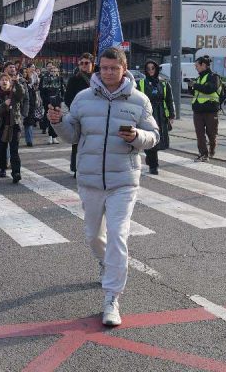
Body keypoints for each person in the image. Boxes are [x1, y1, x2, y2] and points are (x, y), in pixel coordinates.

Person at [47, 47, 159, 327]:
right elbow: (72, 135)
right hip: (91, 179)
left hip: (124, 180)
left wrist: (137, 136)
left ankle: (112, 297)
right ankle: (105, 262)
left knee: (118, 236)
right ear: (98, 68)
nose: (108, 72)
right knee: (94, 236)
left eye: (114, 68)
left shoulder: (139, 100)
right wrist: (58, 123)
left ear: (124, 68)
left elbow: (154, 136)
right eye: (104, 68)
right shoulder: (82, 99)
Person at [137, 61, 175, 174]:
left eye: (152, 68)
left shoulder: (164, 84)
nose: (150, 71)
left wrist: (172, 115)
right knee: (149, 139)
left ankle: (153, 163)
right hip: (147, 115)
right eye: (148, 69)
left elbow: (169, 100)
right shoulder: (141, 83)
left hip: (161, 115)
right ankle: (152, 163)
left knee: (158, 141)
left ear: (156, 69)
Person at [64, 53, 95, 176]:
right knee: (78, 142)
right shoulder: (74, 79)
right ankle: (76, 168)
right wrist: (77, 109)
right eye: (81, 63)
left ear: (92, 64)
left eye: (87, 63)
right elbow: (68, 98)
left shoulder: (97, 79)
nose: (84, 66)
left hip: (95, 114)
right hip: (80, 115)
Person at [187, 55, 222, 162]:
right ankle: (203, 154)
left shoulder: (214, 77)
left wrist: (195, 85)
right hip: (197, 111)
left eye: (197, 65)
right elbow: (194, 93)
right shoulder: (198, 78)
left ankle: (212, 149)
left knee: (211, 134)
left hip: (211, 111)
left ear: (203, 65)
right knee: (200, 134)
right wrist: (190, 86)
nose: (195, 67)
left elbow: (210, 89)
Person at [0, 74, 23, 183]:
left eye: (7, 80)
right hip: (1, 126)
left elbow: (21, 94)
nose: (4, 82)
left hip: (14, 125)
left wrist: (18, 83)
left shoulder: (14, 94)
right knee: (1, 148)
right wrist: (4, 105)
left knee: (14, 149)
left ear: (10, 83)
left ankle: (16, 172)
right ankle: (2, 168)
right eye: (2, 80)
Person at [40, 63, 67, 145]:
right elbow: (42, 91)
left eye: (55, 71)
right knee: (49, 117)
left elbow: (63, 90)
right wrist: (45, 101)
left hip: (57, 101)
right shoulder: (44, 78)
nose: (54, 72)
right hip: (47, 101)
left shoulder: (60, 79)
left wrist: (62, 99)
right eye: (52, 70)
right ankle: (50, 136)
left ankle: (54, 136)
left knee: (56, 117)